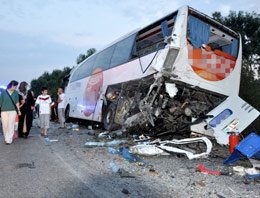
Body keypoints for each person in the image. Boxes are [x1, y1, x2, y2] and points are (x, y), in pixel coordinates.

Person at [0, 80, 21, 144]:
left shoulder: (15, 93)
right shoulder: (3, 93)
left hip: (13, 111)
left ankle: (9, 139)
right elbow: (0, 103)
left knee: (11, 124)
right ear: (12, 85)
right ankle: (6, 137)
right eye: (15, 86)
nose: (16, 88)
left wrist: (19, 110)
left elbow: (17, 103)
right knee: (5, 125)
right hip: (4, 111)